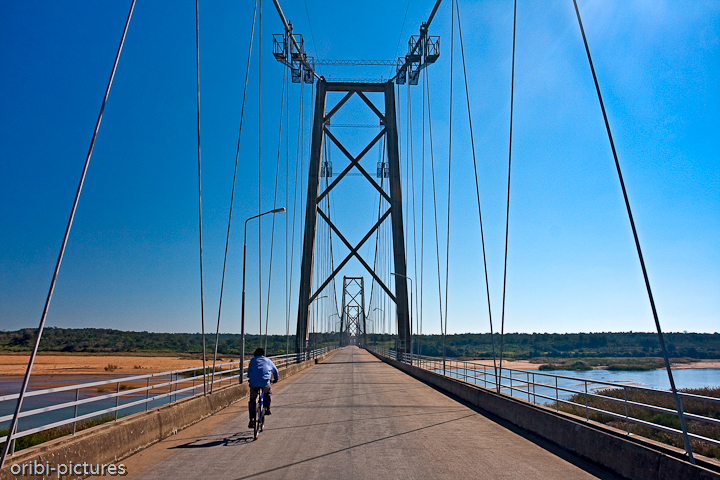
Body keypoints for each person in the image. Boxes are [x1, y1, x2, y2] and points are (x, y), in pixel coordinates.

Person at [247, 347, 279, 429]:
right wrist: (276, 379)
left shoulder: (252, 360)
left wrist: (250, 378)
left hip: (253, 383)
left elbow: (249, 372)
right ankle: (267, 408)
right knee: (267, 393)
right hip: (265, 382)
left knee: (252, 400)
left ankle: (252, 419)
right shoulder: (268, 360)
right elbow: (275, 371)